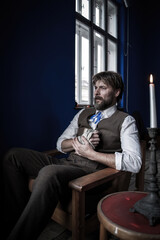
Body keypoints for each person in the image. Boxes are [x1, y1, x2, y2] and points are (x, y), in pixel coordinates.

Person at [3, 71, 142, 240]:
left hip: (91, 173)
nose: (96, 92)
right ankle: (20, 218)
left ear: (117, 92)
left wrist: (91, 153)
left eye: (103, 88)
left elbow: (134, 162)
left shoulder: (125, 121)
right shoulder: (83, 113)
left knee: (49, 172)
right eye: (95, 87)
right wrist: (77, 140)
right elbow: (60, 143)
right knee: (13, 156)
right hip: (67, 164)